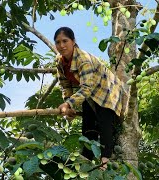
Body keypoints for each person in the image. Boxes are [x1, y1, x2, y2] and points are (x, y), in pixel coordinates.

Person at [54, 27, 127, 169]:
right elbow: (65, 84)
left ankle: (105, 159)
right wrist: (69, 106)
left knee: (105, 120)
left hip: (107, 90)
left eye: (65, 41)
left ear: (73, 41)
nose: (61, 46)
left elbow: (87, 88)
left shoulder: (83, 59)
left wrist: (68, 104)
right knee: (88, 123)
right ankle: (86, 157)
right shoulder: (59, 61)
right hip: (88, 93)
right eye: (58, 42)